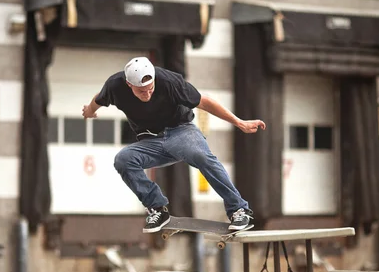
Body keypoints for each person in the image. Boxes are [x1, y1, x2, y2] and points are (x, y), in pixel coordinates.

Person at [82, 57, 265, 234]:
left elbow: (205, 102)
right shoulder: (115, 86)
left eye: (150, 89)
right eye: (141, 91)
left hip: (182, 132)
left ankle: (239, 210)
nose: (147, 94)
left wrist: (239, 122)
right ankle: (157, 208)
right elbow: (98, 99)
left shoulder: (169, 81)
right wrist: (89, 111)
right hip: (150, 142)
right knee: (123, 160)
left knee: (201, 155)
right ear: (129, 85)